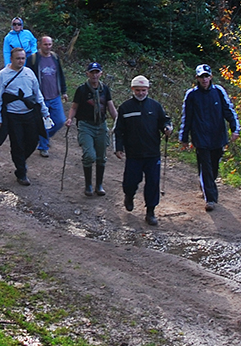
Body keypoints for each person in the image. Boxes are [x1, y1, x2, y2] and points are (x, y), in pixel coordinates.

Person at [178, 64, 240, 212]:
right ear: (197, 78)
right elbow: (187, 117)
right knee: (205, 166)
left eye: (206, 76)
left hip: (218, 136)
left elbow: (228, 110)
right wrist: (184, 138)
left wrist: (234, 128)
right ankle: (210, 198)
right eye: (201, 77)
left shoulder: (218, 92)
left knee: (214, 166)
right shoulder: (192, 95)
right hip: (200, 137)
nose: (204, 79)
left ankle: (206, 184)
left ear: (211, 76)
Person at [114, 76, 171, 225]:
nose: (140, 93)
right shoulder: (125, 107)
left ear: (148, 90)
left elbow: (164, 121)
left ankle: (150, 212)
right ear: (132, 90)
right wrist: (118, 148)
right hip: (133, 153)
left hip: (152, 152)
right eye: (138, 90)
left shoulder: (155, 106)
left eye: (143, 90)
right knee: (130, 182)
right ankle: (129, 195)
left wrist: (167, 128)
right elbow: (118, 130)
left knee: (153, 183)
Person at [0, 46, 49, 185]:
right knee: (17, 144)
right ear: (11, 59)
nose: (21, 61)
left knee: (33, 141)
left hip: (30, 114)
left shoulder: (29, 73)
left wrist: (45, 112)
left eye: (23, 58)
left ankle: (21, 161)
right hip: (12, 116)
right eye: (18, 58)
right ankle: (21, 172)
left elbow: (37, 93)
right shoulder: (2, 75)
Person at [68, 62, 117, 197]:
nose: (94, 75)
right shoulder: (82, 90)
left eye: (97, 72)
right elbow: (74, 107)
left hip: (101, 125)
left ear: (101, 73)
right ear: (87, 74)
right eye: (92, 72)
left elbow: (110, 107)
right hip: (85, 125)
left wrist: (118, 122)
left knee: (101, 157)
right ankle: (88, 184)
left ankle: (99, 185)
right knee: (89, 155)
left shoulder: (105, 89)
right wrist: (70, 119)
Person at [30, 36, 68, 157]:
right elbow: (27, 75)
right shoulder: (33, 59)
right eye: (45, 44)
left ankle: (42, 137)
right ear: (39, 44)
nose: (48, 47)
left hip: (55, 96)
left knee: (60, 121)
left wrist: (64, 91)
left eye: (50, 44)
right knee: (43, 122)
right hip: (41, 97)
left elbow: (60, 75)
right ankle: (43, 146)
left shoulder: (55, 58)